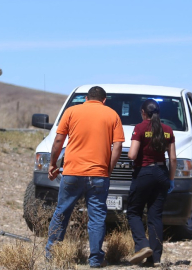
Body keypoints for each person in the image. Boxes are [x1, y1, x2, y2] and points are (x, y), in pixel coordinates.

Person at [45, 86, 124, 268]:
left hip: (72, 172)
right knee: (97, 218)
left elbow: (58, 140)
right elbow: (117, 147)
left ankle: (51, 254)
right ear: (104, 100)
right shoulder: (112, 115)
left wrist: (53, 164)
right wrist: (108, 170)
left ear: (86, 98)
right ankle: (96, 259)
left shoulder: (72, 111)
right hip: (98, 175)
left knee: (62, 212)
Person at [127, 99, 177, 266]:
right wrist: (171, 179)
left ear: (143, 113)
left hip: (144, 173)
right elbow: (173, 158)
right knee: (155, 216)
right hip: (162, 174)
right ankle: (155, 259)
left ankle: (142, 245)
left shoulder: (140, 128)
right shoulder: (168, 130)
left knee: (134, 211)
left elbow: (133, 155)